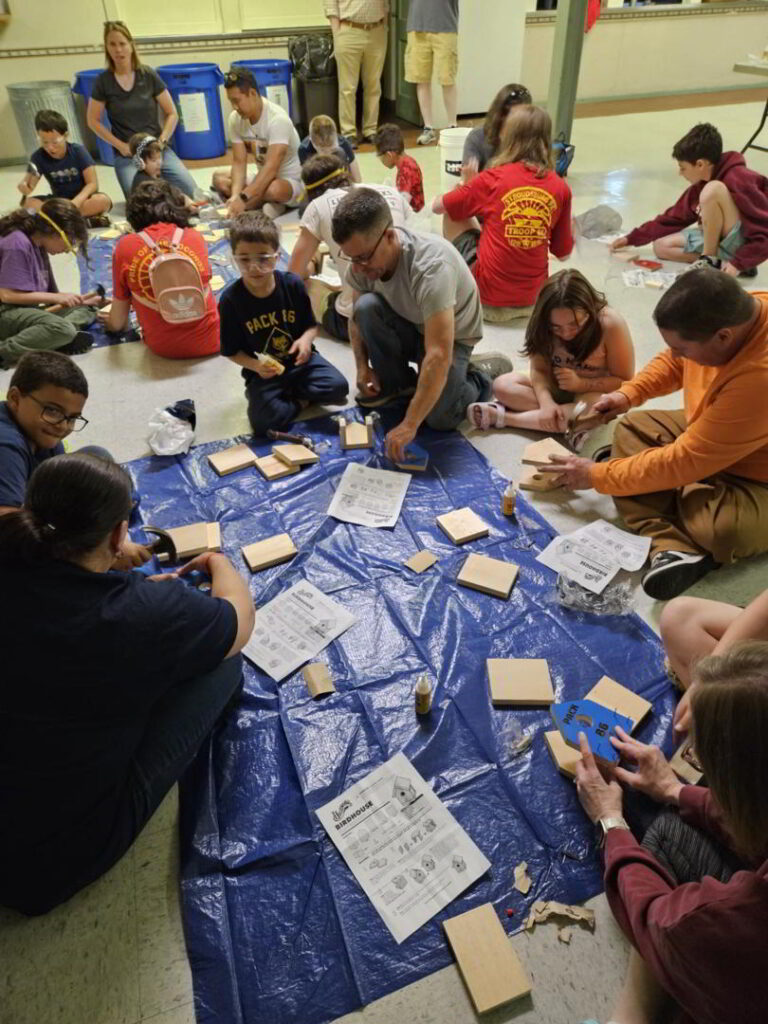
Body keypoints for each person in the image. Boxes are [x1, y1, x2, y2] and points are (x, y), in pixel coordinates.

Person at [0, 452, 254, 915]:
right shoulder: (140, 615)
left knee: (94, 461)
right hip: (47, 864)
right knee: (224, 665)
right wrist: (218, 564)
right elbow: (237, 624)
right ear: (119, 535)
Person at [539, 269, 768, 601]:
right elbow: (675, 364)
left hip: (757, 475)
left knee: (719, 531)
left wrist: (599, 476)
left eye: (682, 348)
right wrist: (627, 395)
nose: (676, 355)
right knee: (633, 427)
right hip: (716, 433)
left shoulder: (759, 377)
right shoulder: (742, 311)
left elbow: (688, 460)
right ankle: (666, 523)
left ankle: (669, 531)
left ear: (723, 337)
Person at [573, 641, 768, 1024]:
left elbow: (657, 921)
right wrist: (676, 790)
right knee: (669, 825)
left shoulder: (729, 919)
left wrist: (611, 822)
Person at [331, 187, 512, 462]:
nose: (357, 268)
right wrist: (361, 368)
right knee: (366, 308)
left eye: (363, 258)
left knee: (440, 418)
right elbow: (356, 320)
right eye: (351, 258)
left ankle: (480, 374)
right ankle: (401, 383)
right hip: (412, 323)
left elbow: (438, 353)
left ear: (390, 236)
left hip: (453, 338)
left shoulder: (431, 267)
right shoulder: (364, 261)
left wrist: (410, 424)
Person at [0, 349, 151, 567]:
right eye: (52, 411)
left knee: (98, 458)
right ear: (15, 398)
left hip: (33, 508)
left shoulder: (41, 431)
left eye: (72, 418)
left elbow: (65, 487)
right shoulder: (6, 446)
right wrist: (103, 551)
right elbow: (9, 538)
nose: (63, 426)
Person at [219, 212, 349, 436]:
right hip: (264, 372)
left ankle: (290, 394)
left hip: (301, 363)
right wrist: (256, 366)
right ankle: (300, 400)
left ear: (277, 257)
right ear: (234, 258)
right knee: (262, 423)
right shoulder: (231, 300)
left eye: (263, 258)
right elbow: (231, 352)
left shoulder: (292, 285)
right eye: (244, 259)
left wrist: (305, 342)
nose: (254, 267)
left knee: (339, 387)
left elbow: (311, 327)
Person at [434, 105, 573, 311]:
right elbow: (563, 255)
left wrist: (465, 187)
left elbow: (438, 207)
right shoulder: (560, 187)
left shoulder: (493, 178)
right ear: (546, 140)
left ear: (509, 137)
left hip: (485, 300)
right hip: (533, 302)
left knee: (452, 214)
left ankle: (457, 288)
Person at [467, 269, 634, 432]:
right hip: (554, 387)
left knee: (593, 410)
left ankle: (506, 418)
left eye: (574, 325)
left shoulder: (610, 323)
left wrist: (581, 384)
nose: (566, 334)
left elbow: (625, 382)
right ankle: (560, 420)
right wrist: (546, 403)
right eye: (556, 328)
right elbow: (539, 370)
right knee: (502, 385)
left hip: (590, 393)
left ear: (590, 312)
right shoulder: (541, 324)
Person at [611, 122, 768, 278]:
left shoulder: (738, 178)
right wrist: (630, 238)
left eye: (683, 168)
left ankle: (710, 260)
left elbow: (765, 232)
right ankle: (721, 263)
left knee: (712, 190)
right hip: (723, 242)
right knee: (661, 246)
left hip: (743, 241)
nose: (680, 173)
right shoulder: (700, 185)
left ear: (700, 164)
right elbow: (672, 218)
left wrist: (739, 262)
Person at [289, 153, 411, 342]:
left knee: (304, 287)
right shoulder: (389, 192)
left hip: (361, 317)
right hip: (408, 312)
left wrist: (312, 260)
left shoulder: (319, 206)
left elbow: (293, 276)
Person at [100, 179, 220, 360]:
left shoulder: (125, 246)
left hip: (163, 348)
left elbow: (118, 323)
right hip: (213, 340)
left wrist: (109, 324)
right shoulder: (194, 238)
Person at [86, 20, 199, 199]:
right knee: (140, 200)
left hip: (156, 150)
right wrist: (120, 146)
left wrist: (162, 141)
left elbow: (172, 113)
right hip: (128, 155)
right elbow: (92, 120)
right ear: (106, 48)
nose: (118, 50)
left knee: (192, 192)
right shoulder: (103, 81)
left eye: (122, 44)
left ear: (131, 45)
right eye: (112, 44)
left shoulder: (148, 75)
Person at [0, 200, 100, 367]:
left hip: (23, 309)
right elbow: (7, 295)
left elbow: (50, 297)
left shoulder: (40, 244)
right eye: (69, 241)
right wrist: (59, 298)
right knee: (63, 329)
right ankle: (5, 352)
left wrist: (78, 300)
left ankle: (45, 340)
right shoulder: (17, 243)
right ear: (55, 233)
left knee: (88, 308)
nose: (69, 249)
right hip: (5, 310)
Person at [212, 68, 303, 218]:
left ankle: (260, 202)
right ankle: (268, 204)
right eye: (230, 101)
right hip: (262, 177)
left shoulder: (278, 119)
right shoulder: (235, 119)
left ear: (253, 94)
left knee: (273, 190)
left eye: (237, 101)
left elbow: (271, 168)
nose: (234, 107)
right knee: (219, 178)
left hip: (288, 182)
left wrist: (244, 197)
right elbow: (239, 162)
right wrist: (236, 195)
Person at [17, 109, 112, 227]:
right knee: (27, 204)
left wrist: (75, 202)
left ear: (66, 136)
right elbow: (29, 184)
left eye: (55, 142)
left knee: (103, 201)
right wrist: (25, 187)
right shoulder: (38, 157)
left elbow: (92, 184)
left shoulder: (78, 151)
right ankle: (79, 222)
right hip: (59, 202)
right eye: (44, 142)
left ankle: (59, 222)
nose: (50, 147)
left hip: (82, 200)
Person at [324, 0, 389, 147]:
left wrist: (384, 25)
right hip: (348, 29)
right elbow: (331, 5)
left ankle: (370, 130)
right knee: (348, 88)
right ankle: (348, 133)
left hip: (377, 31)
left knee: (374, 85)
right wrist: (337, 34)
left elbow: (385, 3)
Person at [404, 0, 459, 146]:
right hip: (417, 27)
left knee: (447, 78)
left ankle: (452, 126)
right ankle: (428, 128)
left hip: (445, 27)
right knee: (421, 79)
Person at [461, 83, 532, 174]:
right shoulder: (477, 136)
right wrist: (470, 182)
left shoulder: (532, 139)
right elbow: (468, 180)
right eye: (507, 116)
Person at [375, 123, 424, 213]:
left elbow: (402, 203)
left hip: (413, 218)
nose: (381, 161)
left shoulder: (406, 170)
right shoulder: (408, 162)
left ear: (389, 155)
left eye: (381, 157)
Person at [298, 114, 362, 183]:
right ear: (312, 142)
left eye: (332, 149)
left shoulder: (343, 143)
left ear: (336, 137)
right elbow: (307, 183)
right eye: (323, 150)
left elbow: (357, 179)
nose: (328, 154)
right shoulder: (304, 149)